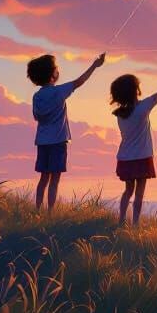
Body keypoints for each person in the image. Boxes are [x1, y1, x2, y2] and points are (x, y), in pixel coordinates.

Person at [29, 51, 105, 211]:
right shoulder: (59, 91)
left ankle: (37, 210)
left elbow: (36, 116)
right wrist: (95, 65)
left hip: (42, 142)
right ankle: (50, 212)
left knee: (43, 178)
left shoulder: (36, 96)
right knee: (54, 180)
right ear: (52, 74)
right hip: (58, 142)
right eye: (56, 69)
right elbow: (79, 81)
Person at [111, 70, 157, 226]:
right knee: (139, 194)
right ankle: (135, 224)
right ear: (136, 90)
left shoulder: (120, 114)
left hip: (125, 158)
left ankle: (121, 221)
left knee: (128, 191)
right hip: (142, 157)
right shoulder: (143, 108)